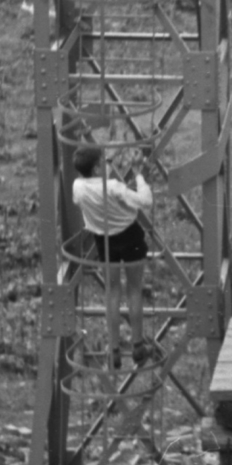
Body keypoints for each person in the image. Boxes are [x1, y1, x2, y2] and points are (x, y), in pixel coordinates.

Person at [71, 144, 155, 369]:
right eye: (104, 161)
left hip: (104, 241)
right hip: (130, 237)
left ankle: (114, 349)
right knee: (134, 289)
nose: (108, 164)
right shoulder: (114, 187)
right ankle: (138, 345)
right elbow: (146, 201)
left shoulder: (78, 187)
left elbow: (89, 191)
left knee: (112, 291)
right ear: (98, 168)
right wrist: (139, 176)